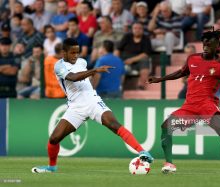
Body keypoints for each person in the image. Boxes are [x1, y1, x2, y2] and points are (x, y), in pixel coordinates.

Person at [31, 38, 153, 173]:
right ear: (64, 53)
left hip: (92, 101)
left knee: (113, 124)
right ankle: (52, 167)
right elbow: (73, 77)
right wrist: (94, 71)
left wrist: (92, 75)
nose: (75, 55)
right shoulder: (58, 66)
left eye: (77, 52)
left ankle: (143, 152)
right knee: (54, 138)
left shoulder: (82, 61)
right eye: (72, 53)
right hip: (75, 107)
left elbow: (85, 78)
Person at [147, 29, 220, 175]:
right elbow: (180, 73)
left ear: (216, 45)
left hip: (208, 105)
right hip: (190, 106)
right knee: (166, 126)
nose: (205, 46)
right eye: (204, 43)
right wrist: (160, 79)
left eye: (209, 43)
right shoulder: (192, 58)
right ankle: (169, 163)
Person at [117, 22, 152, 89]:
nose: (137, 30)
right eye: (135, 28)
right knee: (119, 65)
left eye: (139, 28)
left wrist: (131, 60)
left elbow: (146, 54)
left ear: (142, 30)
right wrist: (116, 60)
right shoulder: (127, 36)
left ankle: (141, 86)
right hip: (125, 60)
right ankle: (118, 88)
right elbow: (118, 49)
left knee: (145, 61)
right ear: (132, 29)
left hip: (139, 61)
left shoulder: (146, 39)